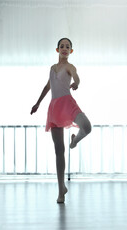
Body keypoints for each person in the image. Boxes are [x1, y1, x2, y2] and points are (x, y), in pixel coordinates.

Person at [30, 38, 91, 203]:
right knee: (59, 150)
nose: (65, 48)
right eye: (62, 46)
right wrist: (37, 103)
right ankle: (61, 190)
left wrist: (76, 84)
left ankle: (75, 141)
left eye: (68, 47)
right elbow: (47, 86)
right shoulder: (52, 68)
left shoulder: (70, 67)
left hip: (68, 102)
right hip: (55, 108)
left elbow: (76, 78)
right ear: (57, 49)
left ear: (71, 51)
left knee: (86, 126)